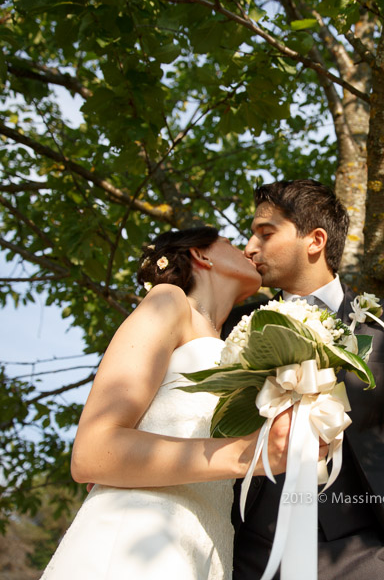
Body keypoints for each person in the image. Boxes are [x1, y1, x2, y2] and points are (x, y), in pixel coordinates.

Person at [227, 180, 384, 580]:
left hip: (366, 554)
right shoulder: (234, 326)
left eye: (265, 232)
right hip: (252, 553)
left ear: (315, 240)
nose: (249, 247)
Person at [42, 226, 319, 580]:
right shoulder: (168, 301)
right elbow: (92, 451)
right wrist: (249, 455)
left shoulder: (242, 346)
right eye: (233, 244)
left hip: (207, 548)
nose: (250, 250)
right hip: (140, 540)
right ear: (201, 255)